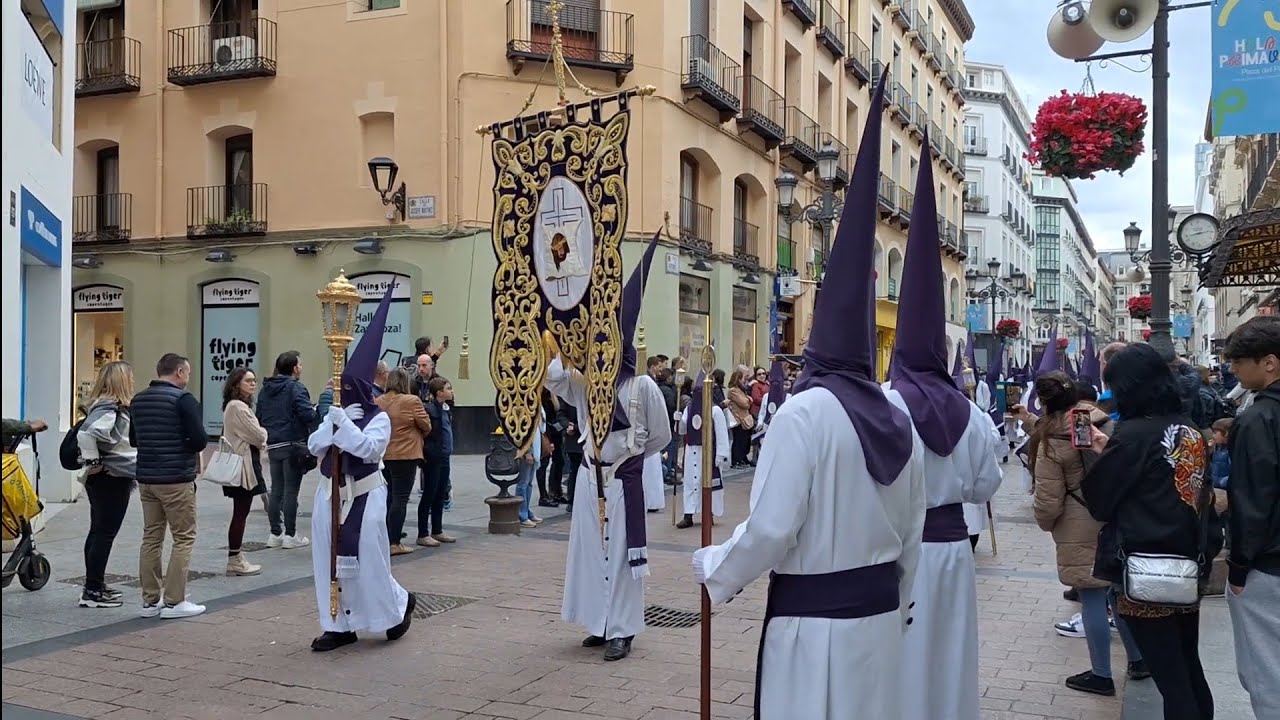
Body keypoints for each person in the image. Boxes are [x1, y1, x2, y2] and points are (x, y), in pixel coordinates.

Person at [693, 71, 926, 720]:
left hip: (813, 632)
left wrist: (719, 569)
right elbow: (910, 534)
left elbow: (771, 527)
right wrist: (898, 601)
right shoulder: (899, 414)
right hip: (879, 621)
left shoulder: (803, 414)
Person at [884, 143, 1004, 720]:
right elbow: (985, 487)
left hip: (898, 550)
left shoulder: (885, 406)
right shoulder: (974, 414)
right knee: (949, 652)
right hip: (953, 549)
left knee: (901, 654)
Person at [546, 232, 670, 662]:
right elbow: (553, 379)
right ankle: (598, 623)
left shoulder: (644, 386)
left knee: (620, 555)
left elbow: (661, 436)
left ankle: (621, 629)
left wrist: (630, 459)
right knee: (589, 551)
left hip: (622, 478)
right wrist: (556, 337)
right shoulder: (584, 384)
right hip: (587, 476)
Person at [1083, 343, 1221, 720]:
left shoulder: (1134, 433)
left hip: (1146, 567)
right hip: (1187, 562)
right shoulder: (1189, 428)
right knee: (1188, 667)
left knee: (1170, 678)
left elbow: (1100, 501)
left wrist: (1104, 457)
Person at [306, 284, 415, 652]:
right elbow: (314, 447)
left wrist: (348, 426)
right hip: (329, 493)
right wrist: (330, 424)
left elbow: (368, 449)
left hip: (365, 493)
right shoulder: (336, 414)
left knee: (367, 557)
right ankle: (337, 623)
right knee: (327, 559)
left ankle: (394, 609)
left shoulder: (378, 418)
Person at [1028, 371, 1145, 695]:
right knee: (1115, 593)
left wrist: (1047, 522)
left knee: (1092, 595)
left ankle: (1102, 674)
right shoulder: (1095, 420)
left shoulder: (1053, 435)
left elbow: (1048, 497)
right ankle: (1137, 659)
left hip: (1080, 519)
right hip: (1112, 514)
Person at [1221, 316, 1280, 720]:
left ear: (1269, 363)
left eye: (1240, 362)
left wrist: (1239, 566)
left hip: (1268, 564)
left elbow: (1253, 498)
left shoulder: (1258, 419)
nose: (1234, 370)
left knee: (1267, 673)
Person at [130, 353, 209, 619]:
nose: (188, 377)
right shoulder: (183, 400)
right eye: (187, 372)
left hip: (147, 477)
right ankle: (175, 600)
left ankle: (150, 601)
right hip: (176, 478)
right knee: (183, 536)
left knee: (151, 536)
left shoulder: (138, 399)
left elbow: (133, 439)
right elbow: (199, 441)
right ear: (178, 372)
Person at [75, 361, 137, 608]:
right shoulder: (110, 408)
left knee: (98, 530)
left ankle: (94, 585)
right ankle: (92, 590)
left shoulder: (101, 405)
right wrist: (95, 462)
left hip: (104, 478)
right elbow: (86, 434)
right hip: (111, 477)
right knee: (104, 533)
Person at [256, 350, 316, 550]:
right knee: (291, 491)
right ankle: (290, 534)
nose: (301, 367)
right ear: (294, 367)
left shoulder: (265, 390)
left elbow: (260, 416)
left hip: (274, 444)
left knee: (277, 490)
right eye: (299, 364)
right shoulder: (295, 388)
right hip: (293, 444)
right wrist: (315, 411)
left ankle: (275, 534)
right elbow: (306, 414)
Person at [374, 368, 432, 555]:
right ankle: (395, 542)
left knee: (388, 497)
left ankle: (385, 537)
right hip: (406, 455)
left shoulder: (379, 401)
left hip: (384, 455)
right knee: (400, 498)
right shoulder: (411, 401)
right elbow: (426, 424)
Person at [220, 368, 268, 578]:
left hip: (245, 462)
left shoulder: (237, 406)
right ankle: (235, 558)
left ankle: (236, 557)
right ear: (236, 383)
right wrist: (264, 433)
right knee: (241, 512)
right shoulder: (238, 407)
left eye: (254, 380)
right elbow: (258, 435)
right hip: (242, 466)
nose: (253, 384)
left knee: (242, 511)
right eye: (248, 380)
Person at [675, 368, 730, 530]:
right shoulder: (689, 409)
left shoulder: (715, 411)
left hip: (708, 453)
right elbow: (682, 430)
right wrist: (678, 420)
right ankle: (688, 514)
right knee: (691, 482)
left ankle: (709, 512)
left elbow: (721, 435)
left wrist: (721, 454)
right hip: (692, 450)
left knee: (707, 483)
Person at [420, 376, 457, 545]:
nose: (451, 391)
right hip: (434, 456)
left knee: (441, 493)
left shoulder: (446, 408)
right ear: (439, 392)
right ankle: (423, 533)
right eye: (448, 388)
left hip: (444, 456)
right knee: (430, 492)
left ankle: (437, 530)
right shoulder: (430, 409)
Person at [726, 368, 754, 467]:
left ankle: (743, 457)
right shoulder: (733, 391)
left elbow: (748, 401)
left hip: (745, 418)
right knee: (739, 440)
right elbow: (744, 403)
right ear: (737, 379)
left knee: (745, 440)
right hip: (738, 419)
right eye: (743, 378)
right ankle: (736, 460)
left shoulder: (742, 390)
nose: (744, 381)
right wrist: (748, 400)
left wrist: (748, 400)